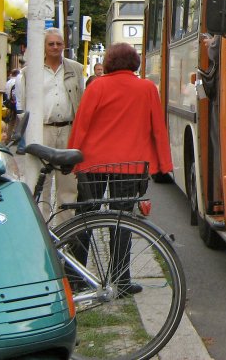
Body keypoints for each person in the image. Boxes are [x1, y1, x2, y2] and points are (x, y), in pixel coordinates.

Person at [67, 42, 173, 295]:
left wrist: (72, 156)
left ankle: (75, 276)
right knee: (122, 220)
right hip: (130, 164)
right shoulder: (147, 88)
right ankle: (121, 279)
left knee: (85, 217)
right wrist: (163, 165)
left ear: (110, 62)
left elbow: (81, 123)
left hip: (93, 162)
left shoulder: (97, 86)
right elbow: (157, 127)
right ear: (135, 62)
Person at [15, 27, 84, 223]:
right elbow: (22, 103)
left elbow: (81, 98)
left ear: (64, 45)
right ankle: (43, 230)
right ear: (44, 47)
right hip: (42, 130)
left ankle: (66, 230)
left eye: (59, 43)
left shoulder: (75, 68)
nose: (55, 47)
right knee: (41, 183)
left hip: (68, 129)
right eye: (51, 43)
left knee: (68, 184)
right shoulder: (30, 72)